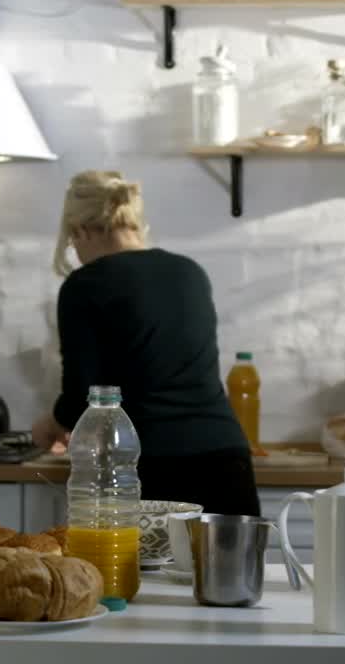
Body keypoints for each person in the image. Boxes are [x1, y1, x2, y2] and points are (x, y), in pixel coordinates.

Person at [32, 170, 261, 516]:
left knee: (148, 573)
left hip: (151, 470)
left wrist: (46, 427)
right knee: (231, 572)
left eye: (72, 242)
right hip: (226, 460)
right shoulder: (190, 272)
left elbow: (80, 399)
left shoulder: (84, 285)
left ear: (80, 230)